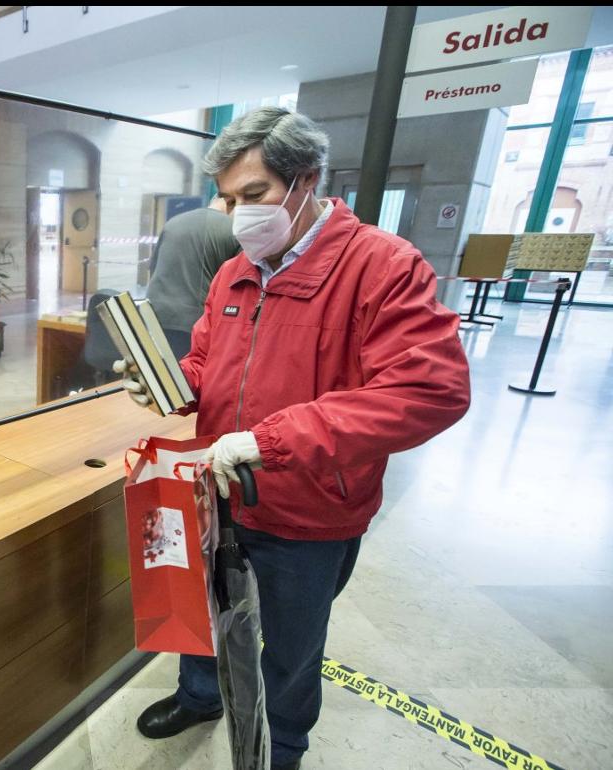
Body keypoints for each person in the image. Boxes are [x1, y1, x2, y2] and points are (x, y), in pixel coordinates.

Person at [118, 107, 470, 770]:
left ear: (308, 181)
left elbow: (430, 391)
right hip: (213, 487)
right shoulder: (235, 270)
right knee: (195, 607)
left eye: (254, 196)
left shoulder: (382, 267)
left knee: (290, 646)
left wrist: (271, 439)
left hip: (307, 511)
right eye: (227, 200)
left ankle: (282, 748)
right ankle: (199, 696)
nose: (238, 214)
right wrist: (173, 384)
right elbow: (211, 361)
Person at [145, 201, 241, 359]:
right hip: (194, 324)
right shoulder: (233, 230)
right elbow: (238, 288)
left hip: (155, 316)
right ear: (230, 204)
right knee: (185, 379)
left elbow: (153, 268)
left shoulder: (173, 223)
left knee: (161, 377)